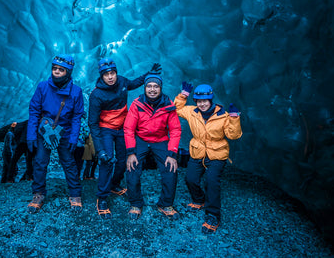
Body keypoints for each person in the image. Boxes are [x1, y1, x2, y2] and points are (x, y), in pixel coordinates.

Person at [88, 58, 162, 219]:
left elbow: (134, 83)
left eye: (112, 73)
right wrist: (99, 150)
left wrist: (149, 74)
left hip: (122, 128)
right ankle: (102, 198)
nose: (110, 77)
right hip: (105, 129)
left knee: (123, 160)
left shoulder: (122, 81)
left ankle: (114, 184)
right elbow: (92, 124)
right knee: (107, 161)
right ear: (101, 75)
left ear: (116, 73)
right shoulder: (96, 95)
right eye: (106, 74)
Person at [174, 82, 242, 234]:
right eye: (198, 101)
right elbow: (176, 109)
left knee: (211, 182)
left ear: (211, 100)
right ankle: (199, 200)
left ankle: (213, 215)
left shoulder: (223, 116)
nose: (202, 104)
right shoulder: (192, 112)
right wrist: (183, 95)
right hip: (198, 151)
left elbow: (234, 135)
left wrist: (234, 118)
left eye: (205, 101)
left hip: (217, 154)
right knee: (190, 179)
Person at [26, 54, 85, 213]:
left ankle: (75, 194)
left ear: (68, 72)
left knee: (69, 163)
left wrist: (74, 137)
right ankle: (38, 193)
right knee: (40, 162)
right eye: (55, 68)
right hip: (45, 131)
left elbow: (77, 116)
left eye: (61, 69)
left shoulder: (76, 91)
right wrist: (31, 135)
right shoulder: (42, 87)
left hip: (64, 132)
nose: (57, 72)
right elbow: (34, 111)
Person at [123, 73, 182, 220]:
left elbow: (175, 130)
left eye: (156, 86)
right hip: (141, 139)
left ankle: (165, 204)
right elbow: (129, 129)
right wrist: (131, 152)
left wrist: (172, 154)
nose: (152, 89)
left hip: (160, 140)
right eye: (149, 86)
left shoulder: (169, 105)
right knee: (132, 168)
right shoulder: (137, 104)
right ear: (145, 88)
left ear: (160, 88)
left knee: (171, 168)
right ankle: (136, 203)